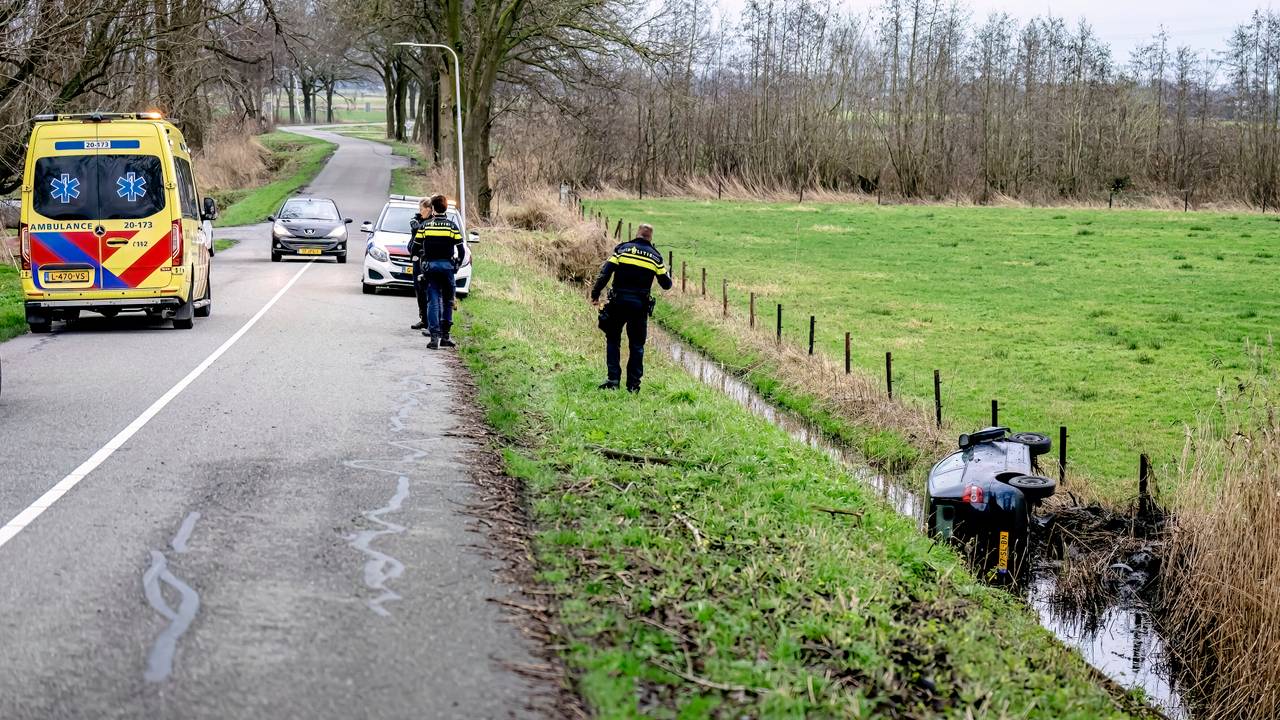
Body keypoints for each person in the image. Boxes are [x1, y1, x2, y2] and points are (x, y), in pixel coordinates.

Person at [590, 223, 672, 392]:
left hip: (618, 302)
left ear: (637, 233)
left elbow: (606, 272)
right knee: (637, 346)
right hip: (639, 307)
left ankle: (613, 380)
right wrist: (666, 272)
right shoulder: (655, 257)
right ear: (650, 237)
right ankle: (633, 386)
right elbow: (666, 284)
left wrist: (595, 293)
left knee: (613, 339)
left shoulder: (622, 250)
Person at [407, 194, 464, 349]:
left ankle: (434, 338)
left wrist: (420, 260)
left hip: (430, 268)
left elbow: (414, 248)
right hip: (447, 268)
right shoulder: (452, 227)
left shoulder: (425, 226)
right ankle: (445, 336)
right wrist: (456, 265)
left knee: (433, 301)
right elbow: (461, 250)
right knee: (448, 301)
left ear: (432, 209)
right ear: (446, 208)